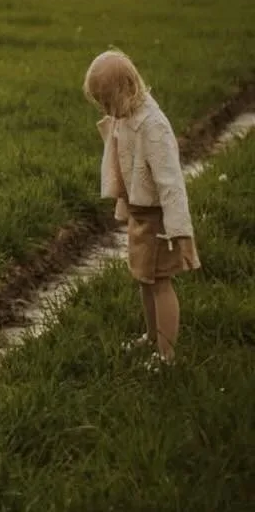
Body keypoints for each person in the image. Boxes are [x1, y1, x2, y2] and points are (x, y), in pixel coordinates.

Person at [83, 49, 199, 366]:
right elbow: (124, 165)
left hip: (160, 219)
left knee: (160, 282)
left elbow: (171, 182)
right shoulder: (128, 117)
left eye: (108, 102)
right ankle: (151, 337)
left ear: (128, 89)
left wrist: (179, 229)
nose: (107, 111)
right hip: (140, 216)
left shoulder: (153, 126)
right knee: (143, 278)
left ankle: (167, 354)